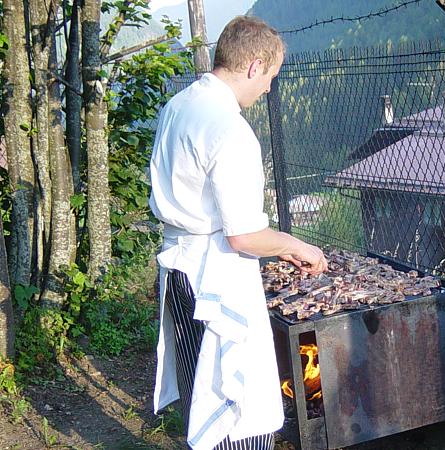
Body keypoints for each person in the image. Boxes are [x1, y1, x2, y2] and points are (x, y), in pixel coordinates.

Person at [148, 15, 328, 450]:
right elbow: (243, 236)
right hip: (214, 280)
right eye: (269, 77)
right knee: (236, 405)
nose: (267, 88)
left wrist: (279, 248)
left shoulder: (179, 106)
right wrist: (298, 245)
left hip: (179, 270)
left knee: (199, 390)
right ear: (254, 66)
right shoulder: (230, 129)